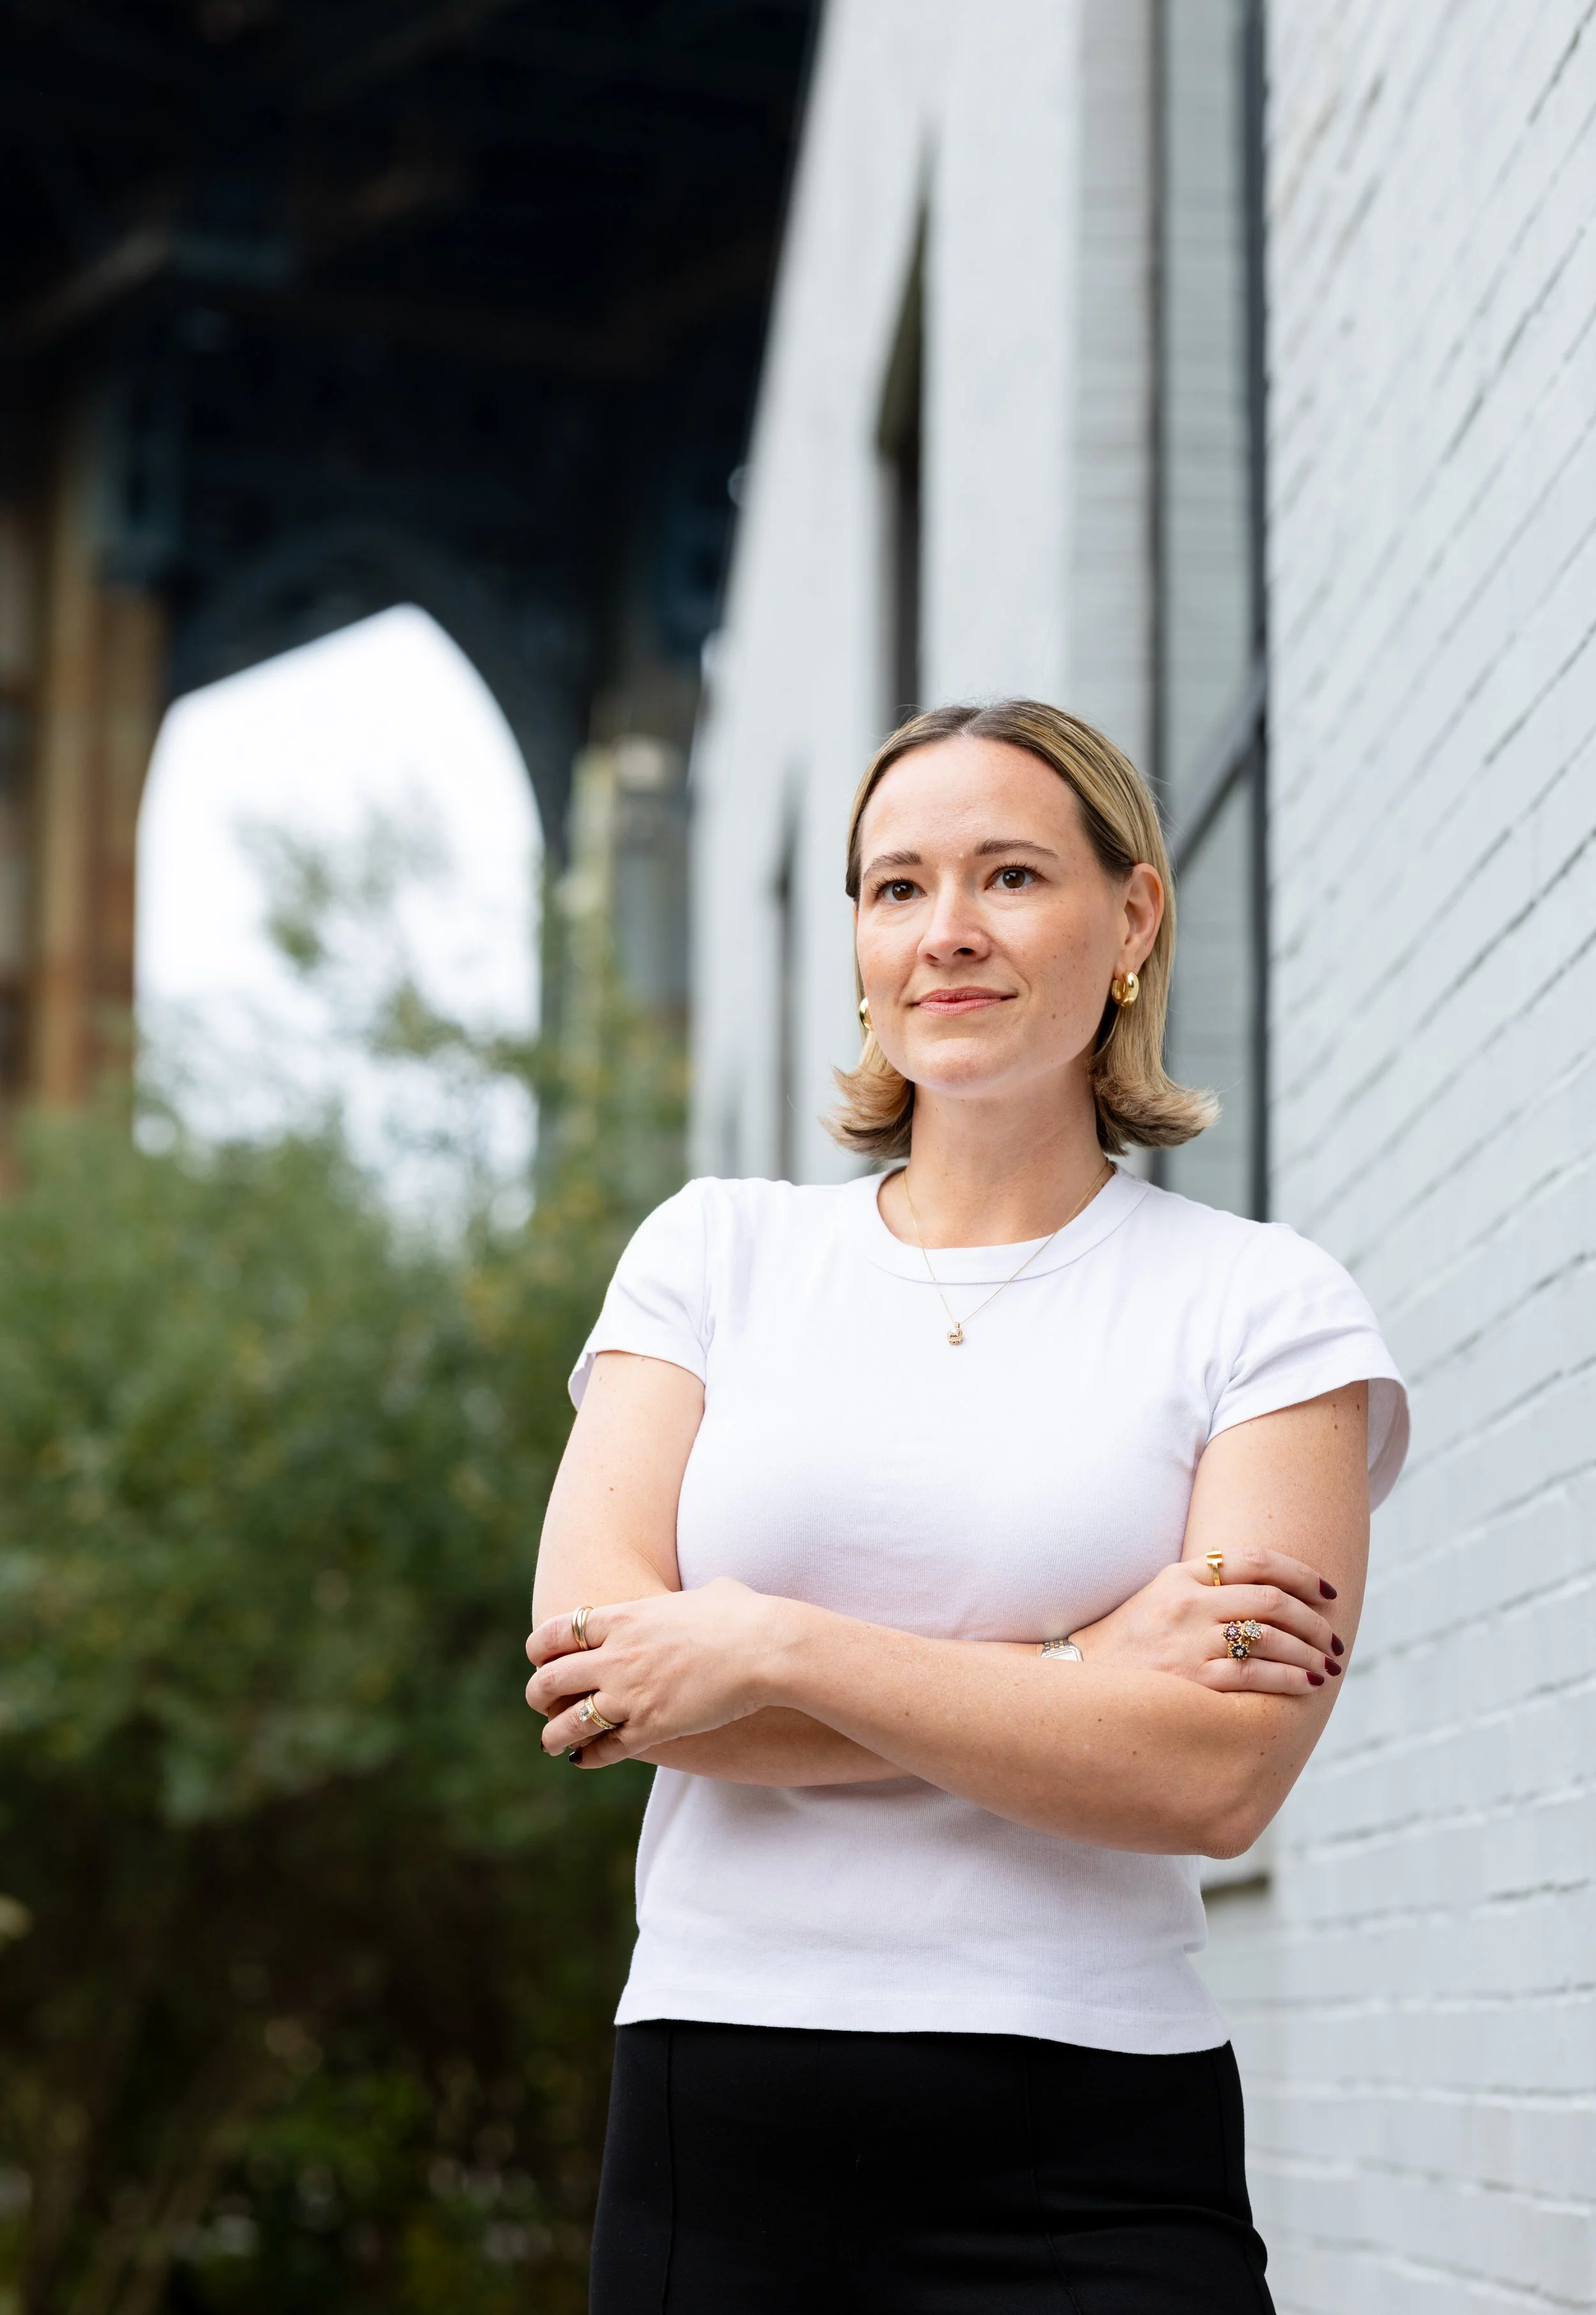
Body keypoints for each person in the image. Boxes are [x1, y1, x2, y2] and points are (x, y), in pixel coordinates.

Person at [526, 700, 1408, 2314]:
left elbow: (1212, 1778)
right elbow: (603, 1681)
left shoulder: (1263, 1306)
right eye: (892, 887)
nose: (945, 933)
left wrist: (764, 1642)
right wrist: (1081, 1672)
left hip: (1091, 2135)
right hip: (720, 2122)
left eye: (1008, 875)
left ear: (1130, 916)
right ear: (856, 939)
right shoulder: (714, 1253)